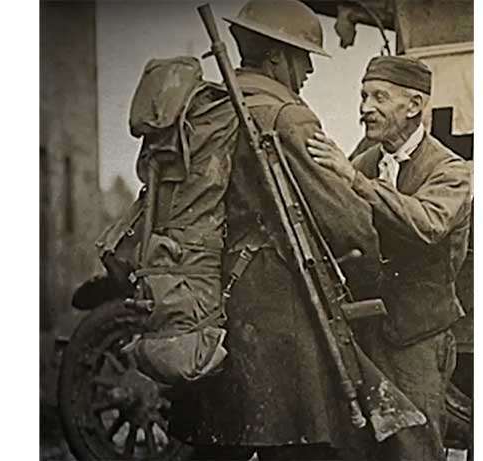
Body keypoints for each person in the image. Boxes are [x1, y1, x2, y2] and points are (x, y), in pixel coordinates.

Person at [170, 1, 383, 460]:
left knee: (223, 440)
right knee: (299, 446)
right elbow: (347, 220)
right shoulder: (287, 117)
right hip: (281, 312)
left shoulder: (215, 106)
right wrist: (379, 265)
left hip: (215, 302)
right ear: (275, 56)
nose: (306, 69)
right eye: (302, 55)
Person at [307, 55, 473, 461]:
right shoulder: (362, 163)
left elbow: (429, 224)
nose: (365, 108)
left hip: (419, 337)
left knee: (416, 448)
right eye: (364, 96)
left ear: (414, 106)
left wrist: (352, 182)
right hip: (366, 336)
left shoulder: (450, 170)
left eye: (379, 97)